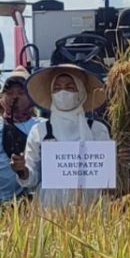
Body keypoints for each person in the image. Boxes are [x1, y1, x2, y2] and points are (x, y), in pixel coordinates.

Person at [20, 65, 113, 208]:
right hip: (49, 208)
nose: (62, 93)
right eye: (56, 88)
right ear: (51, 93)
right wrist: (22, 171)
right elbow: (31, 179)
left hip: (90, 206)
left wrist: (117, 161)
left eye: (70, 88)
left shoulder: (97, 130)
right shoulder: (39, 131)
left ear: (81, 92)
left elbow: (105, 176)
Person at [0, 67, 40, 205]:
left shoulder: (41, 128)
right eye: (10, 93)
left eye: (21, 93)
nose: (15, 97)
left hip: (31, 204)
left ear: (32, 97)